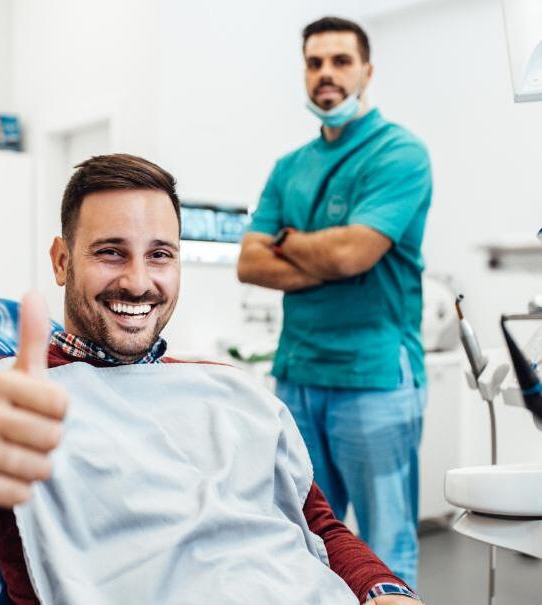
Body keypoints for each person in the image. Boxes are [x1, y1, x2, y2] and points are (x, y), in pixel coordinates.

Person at [0, 154, 423, 604]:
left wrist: (384, 590)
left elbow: (318, 528)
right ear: (61, 261)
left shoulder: (232, 390)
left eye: (160, 255)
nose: (139, 281)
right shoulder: (7, 394)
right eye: (110, 252)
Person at [237, 17, 431, 589]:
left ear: (366, 71)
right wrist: (326, 258)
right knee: (303, 538)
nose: (326, 74)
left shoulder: (400, 153)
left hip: (375, 378)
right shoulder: (288, 167)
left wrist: (291, 243)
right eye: (315, 62)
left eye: (341, 61)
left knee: (384, 546)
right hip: (297, 374)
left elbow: (354, 255)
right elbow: (249, 263)